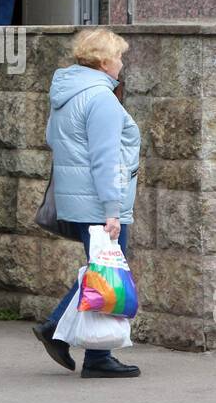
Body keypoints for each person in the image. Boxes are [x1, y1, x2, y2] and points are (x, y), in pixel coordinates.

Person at [32, 28, 142, 379]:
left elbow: (53, 138)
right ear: (104, 60)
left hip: (77, 199)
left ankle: (97, 356)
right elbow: (106, 159)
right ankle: (55, 328)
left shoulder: (65, 94)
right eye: (119, 57)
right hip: (100, 203)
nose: (122, 64)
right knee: (105, 275)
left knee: (101, 272)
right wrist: (113, 209)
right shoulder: (101, 99)